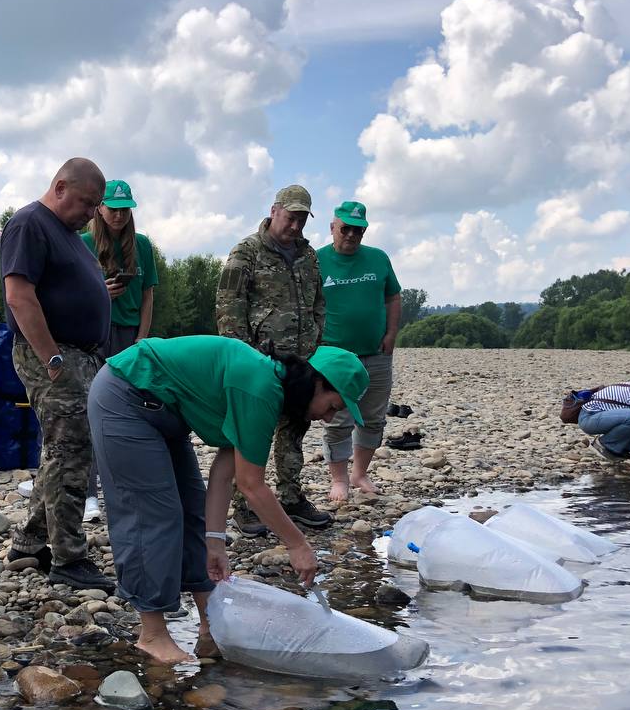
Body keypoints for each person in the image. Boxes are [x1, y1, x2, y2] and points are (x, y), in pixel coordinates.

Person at [89, 336, 368, 663]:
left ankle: (211, 626)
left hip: (165, 410)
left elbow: (224, 474)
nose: (329, 418)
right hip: (125, 395)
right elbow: (252, 487)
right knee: (154, 514)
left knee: (193, 508)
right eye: (333, 406)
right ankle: (152, 635)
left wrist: (216, 544)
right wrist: (297, 544)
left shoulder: (269, 390)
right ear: (317, 383)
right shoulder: (260, 388)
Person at [0, 157, 115, 592]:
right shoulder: (30, 223)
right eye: (87, 202)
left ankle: (29, 542)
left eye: (96, 205)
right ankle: (69, 557)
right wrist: (52, 360)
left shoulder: (66, 233)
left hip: (77, 354)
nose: (92, 213)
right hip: (52, 354)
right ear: (61, 187)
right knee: (71, 451)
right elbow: (19, 295)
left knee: (61, 449)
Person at [216, 184, 327, 535]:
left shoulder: (308, 256)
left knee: (295, 429)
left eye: (301, 220)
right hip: (259, 362)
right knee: (253, 432)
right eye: (290, 218)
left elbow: (318, 302)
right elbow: (229, 306)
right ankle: (245, 505)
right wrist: (242, 358)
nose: (295, 226)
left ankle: (291, 497)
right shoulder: (246, 252)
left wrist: (316, 337)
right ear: (274, 210)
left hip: (300, 361)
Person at [78, 178, 158, 522]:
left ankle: (128, 489)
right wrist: (100, 293)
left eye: (125, 209)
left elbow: (148, 295)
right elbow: (73, 296)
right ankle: (89, 494)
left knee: (130, 412)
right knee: (91, 411)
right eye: (114, 208)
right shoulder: (83, 243)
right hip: (96, 334)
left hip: (131, 337)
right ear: (100, 208)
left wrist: (143, 337)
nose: (120, 215)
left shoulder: (142, 245)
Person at [317, 200, 402, 502]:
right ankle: (339, 479)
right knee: (339, 419)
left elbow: (393, 297)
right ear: (333, 228)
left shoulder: (378, 258)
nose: (351, 235)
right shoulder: (316, 261)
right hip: (336, 357)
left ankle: (360, 473)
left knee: (373, 417)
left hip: (376, 353)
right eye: (345, 229)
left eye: (358, 230)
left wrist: (391, 333)